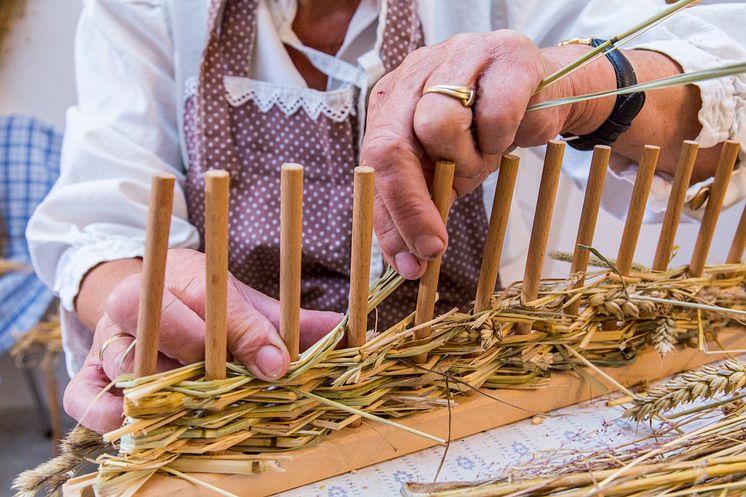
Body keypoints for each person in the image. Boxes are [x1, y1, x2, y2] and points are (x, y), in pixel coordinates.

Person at [26, 0, 746, 433]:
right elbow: (100, 220)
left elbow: (721, 67)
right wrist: (140, 291)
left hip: (499, 412)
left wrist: (585, 83)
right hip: (253, 430)